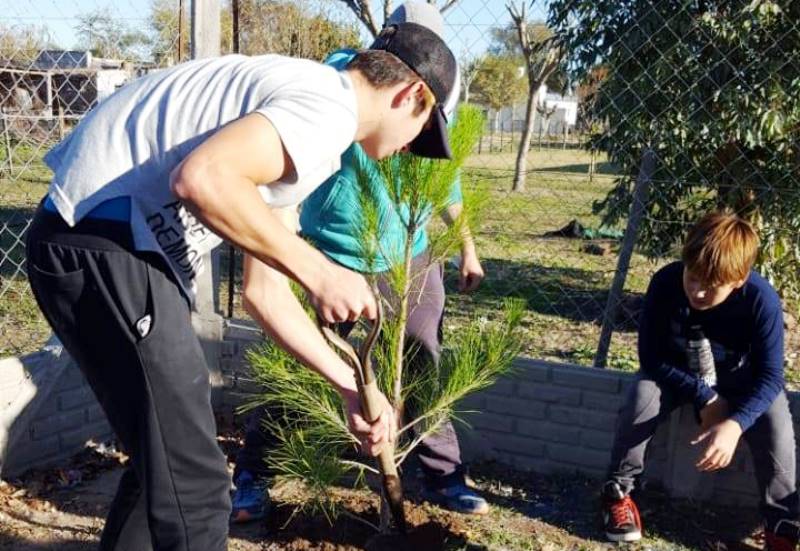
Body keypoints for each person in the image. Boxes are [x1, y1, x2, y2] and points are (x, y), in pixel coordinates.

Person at [25, 23, 456, 551]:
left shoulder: (302, 122)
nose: (414, 148)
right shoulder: (327, 106)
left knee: (162, 464)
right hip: (106, 240)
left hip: (101, 245)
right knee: (201, 486)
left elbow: (265, 296)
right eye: (422, 129)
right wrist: (319, 271)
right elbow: (202, 178)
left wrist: (347, 383)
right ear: (410, 94)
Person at [230, 2, 489, 524]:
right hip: (332, 255)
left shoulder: (431, 97)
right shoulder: (341, 85)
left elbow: (447, 180)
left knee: (423, 362)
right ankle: (254, 475)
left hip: (408, 255)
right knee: (296, 367)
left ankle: (443, 473)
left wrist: (466, 243)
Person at [601, 211, 798, 549]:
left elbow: (770, 377)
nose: (699, 291)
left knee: (775, 418)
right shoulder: (665, 283)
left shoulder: (760, 299)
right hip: (677, 379)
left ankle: (781, 523)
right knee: (642, 395)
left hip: (741, 385)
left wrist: (735, 423)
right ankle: (617, 495)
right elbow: (651, 358)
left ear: (739, 279)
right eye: (693, 277)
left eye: (712, 285)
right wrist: (705, 397)